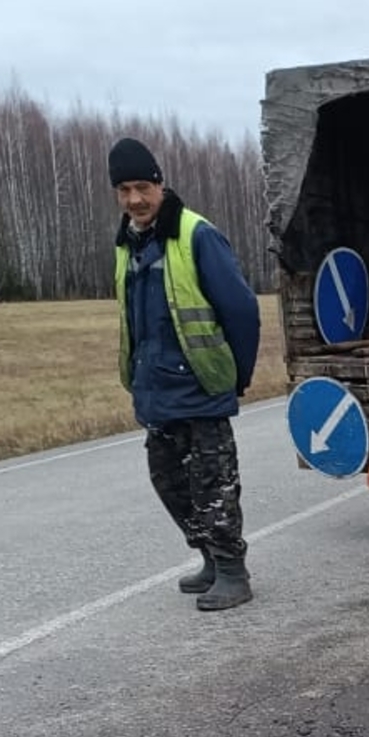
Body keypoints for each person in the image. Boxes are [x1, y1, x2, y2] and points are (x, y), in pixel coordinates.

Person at [109, 136, 261, 612]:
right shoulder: (128, 245)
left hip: (200, 385)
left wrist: (234, 375)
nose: (135, 199)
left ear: (160, 184)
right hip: (156, 390)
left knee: (213, 486)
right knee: (168, 481)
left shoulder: (195, 235)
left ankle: (233, 572)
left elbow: (241, 311)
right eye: (124, 190)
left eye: (142, 187)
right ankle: (210, 560)